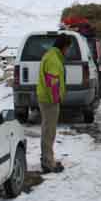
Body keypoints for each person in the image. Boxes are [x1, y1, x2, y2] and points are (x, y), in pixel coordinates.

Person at [36, 34, 72, 173]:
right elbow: (53, 81)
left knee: (48, 130)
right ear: (63, 47)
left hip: (46, 98)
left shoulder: (51, 55)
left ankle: (47, 159)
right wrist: (56, 98)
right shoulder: (53, 59)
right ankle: (48, 162)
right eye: (68, 48)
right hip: (49, 100)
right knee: (49, 131)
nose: (68, 51)